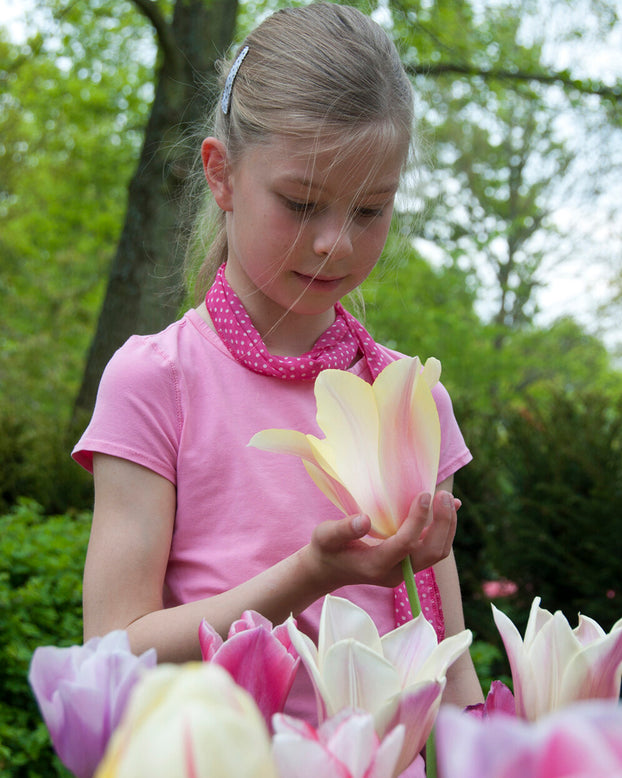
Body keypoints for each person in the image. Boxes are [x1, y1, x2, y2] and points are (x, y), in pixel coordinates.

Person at [73, 1, 483, 732]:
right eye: (301, 203)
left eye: (370, 210)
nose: (335, 242)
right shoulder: (157, 382)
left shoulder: (408, 397)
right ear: (222, 175)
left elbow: (447, 666)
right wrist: (309, 576)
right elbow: (112, 647)